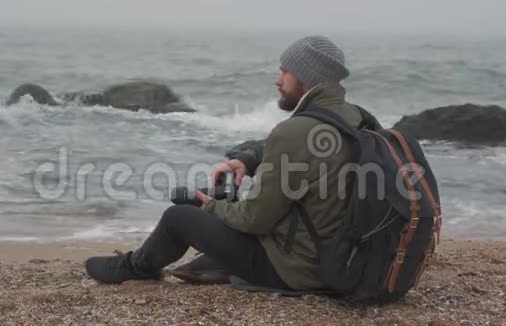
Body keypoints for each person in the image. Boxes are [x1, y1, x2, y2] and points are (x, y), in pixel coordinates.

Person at [85, 35, 364, 291]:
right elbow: (299, 149)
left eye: (284, 71)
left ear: (306, 77)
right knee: (227, 226)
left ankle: (132, 268)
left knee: (178, 217)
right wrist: (247, 159)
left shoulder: (295, 132)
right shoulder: (358, 120)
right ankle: (215, 264)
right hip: (346, 264)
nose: (277, 80)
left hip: (301, 273)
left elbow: (255, 220)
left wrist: (209, 205)